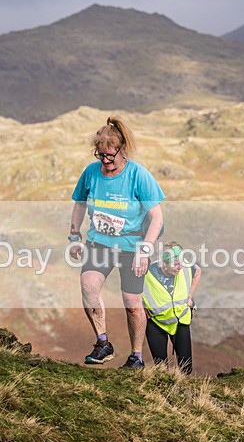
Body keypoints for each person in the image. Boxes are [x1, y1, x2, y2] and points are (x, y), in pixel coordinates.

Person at [69, 116, 165, 369]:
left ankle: (136, 357)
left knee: (133, 305)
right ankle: (103, 343)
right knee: (88, 285)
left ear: (122, 149)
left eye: (110, 156)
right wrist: (74, 236)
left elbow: (156, 217)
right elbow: (79, 204)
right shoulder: (91, 172)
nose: (106, 161)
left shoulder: (138, 175)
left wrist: (145, 251)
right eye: (100, 156)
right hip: (99, 243)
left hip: (132, 247)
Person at [143, 241, 201, 374]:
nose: (180, 267)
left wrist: (190, 296)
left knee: (186, 368)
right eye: (175, 264)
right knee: (161, 368)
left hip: (180, 319)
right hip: (156, 322)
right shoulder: (148, 272)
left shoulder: (185, 266)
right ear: (164, 264)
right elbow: (132, 289)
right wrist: (142, 306)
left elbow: (198, 271)